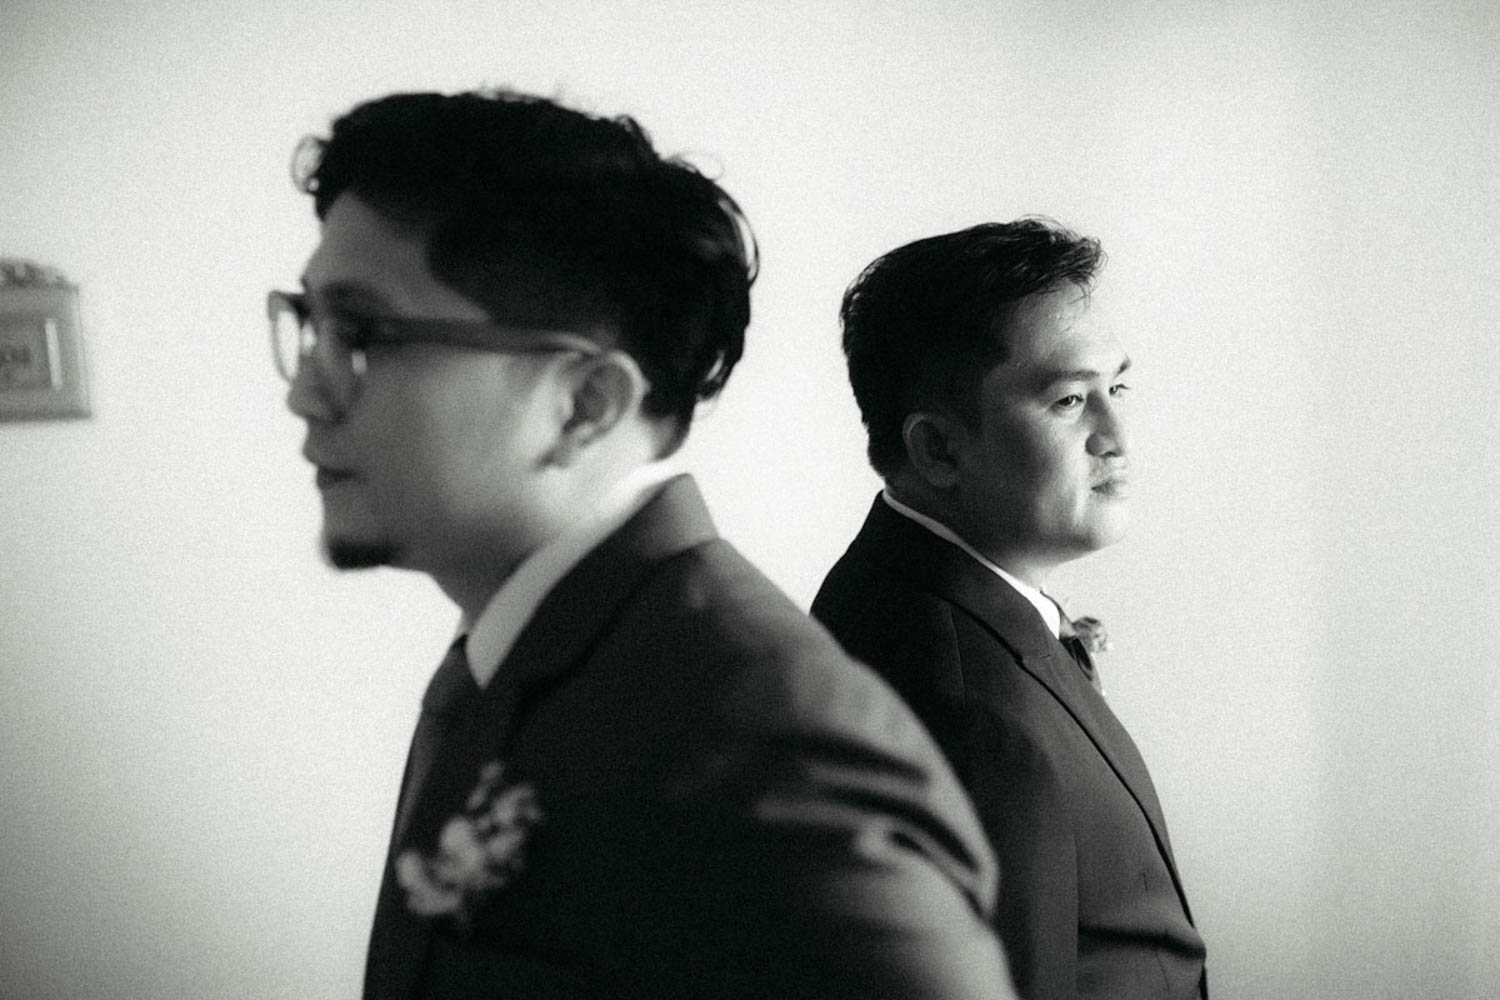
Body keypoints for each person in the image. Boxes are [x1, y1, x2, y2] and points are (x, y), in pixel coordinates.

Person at [273, 89, 1013, 1000]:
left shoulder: (767, 740)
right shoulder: (507, 659)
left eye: (362, 332)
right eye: (309, 324)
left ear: (585, 405)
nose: (303, 392)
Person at [812, 220, 1208, 1000]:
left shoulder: (919, 594)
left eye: (1117, 389)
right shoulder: (961, 702)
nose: (1116, 437)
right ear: (938, 451)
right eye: (1069, 400)